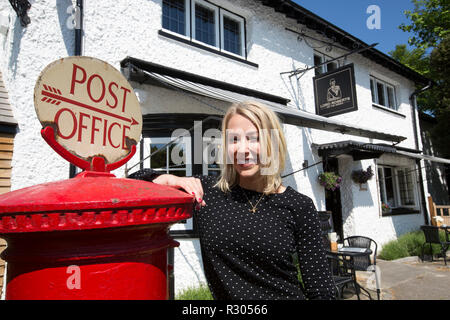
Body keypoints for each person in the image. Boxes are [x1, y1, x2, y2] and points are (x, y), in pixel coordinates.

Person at [129, 101, 335, 300]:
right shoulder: (207, 192)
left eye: (254, 138)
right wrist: (166, 178)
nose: (242, 149)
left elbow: (321, 288)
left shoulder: (299, 205)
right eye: (234, 140)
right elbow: (130, 184)